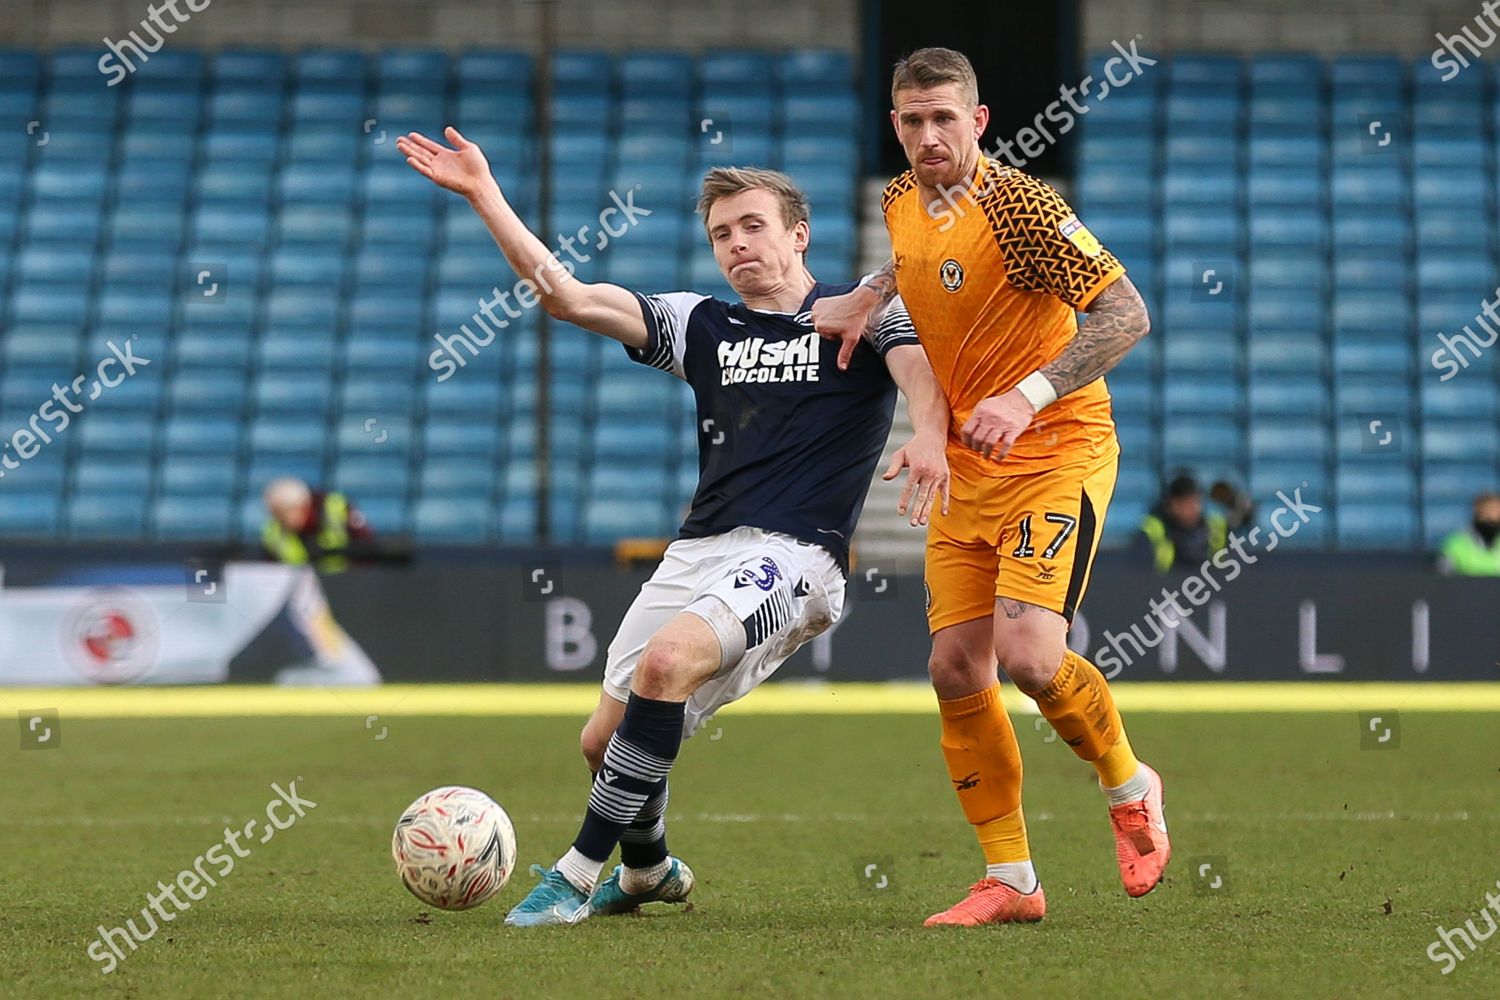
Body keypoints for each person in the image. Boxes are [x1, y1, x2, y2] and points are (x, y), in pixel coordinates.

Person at [395, 127, 951, 926]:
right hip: (699, 551)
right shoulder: (702, 323)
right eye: (721, 233)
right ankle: (649, 868)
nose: (736, 244)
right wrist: (486, 192)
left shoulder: (856, 318)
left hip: (796, 557)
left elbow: (917, 372)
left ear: (798, 234)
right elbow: (568, 295)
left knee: (667, 664)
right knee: (602, 741)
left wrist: (928, 432)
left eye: (752, 225)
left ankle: (578, 873)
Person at [811, 47, 1166, 926]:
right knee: (952, 667)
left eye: (944, 119)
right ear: (894, 125)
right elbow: (911, 265)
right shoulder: (898, 201)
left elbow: (1127, 313)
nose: (928, 136)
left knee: (1032, 660)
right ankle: (1012, 880)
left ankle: (1128, 782)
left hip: (1055, 450)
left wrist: (1030, 391)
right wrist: (866, 293)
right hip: (971, 463)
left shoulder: (1021, 207)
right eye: (911, 120)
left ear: (978, 121)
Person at [260, 477, 373, 574]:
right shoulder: (273, 532)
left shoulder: (337, 508)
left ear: (303, 506)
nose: (280, 520)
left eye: (283, 513)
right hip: (304, 593)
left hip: (347, 583)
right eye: (276, 515)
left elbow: (366, 548)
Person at [1137, 472, 1228, 573]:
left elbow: (1230, 567)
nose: (1191, 509)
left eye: (1194, 502)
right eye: (1184, 503)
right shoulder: (1152, 530)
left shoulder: (1216, 526)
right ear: (1170, 505)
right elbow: (1142, 571)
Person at [1438, 491, 1500, 576]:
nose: (1493, 517)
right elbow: (1443, 578)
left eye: (1497, 512)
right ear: (1477, 513)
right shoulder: (1454, 543)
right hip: (1464, 588)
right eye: (1488, 512)